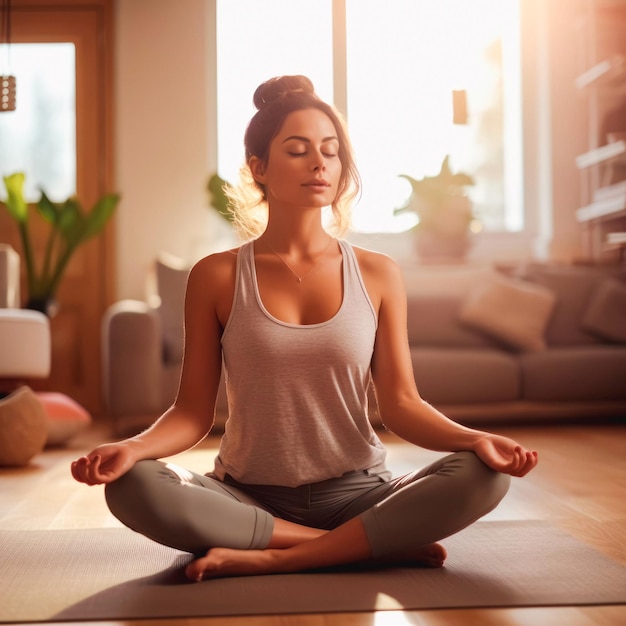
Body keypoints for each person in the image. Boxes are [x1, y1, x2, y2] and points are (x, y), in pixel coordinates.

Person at [71, 75, 538, 581]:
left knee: (483, 474)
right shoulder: (216, 275)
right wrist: (132, 448)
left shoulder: (379, 273)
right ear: (259, 168)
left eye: (331, 151)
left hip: (359, 495)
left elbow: (402, 405)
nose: (320, 163)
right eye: (298, 150)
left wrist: (474, 439)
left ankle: (281, 556)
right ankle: (362, 548)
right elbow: (191, 413)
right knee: (131, 485)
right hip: (247, 498)